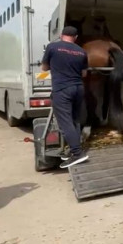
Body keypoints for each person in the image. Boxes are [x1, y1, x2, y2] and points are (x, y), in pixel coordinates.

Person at [41, 26, 89, 169]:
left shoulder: (52, 47)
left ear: (62, 35)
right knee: (75, 120)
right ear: (76, 37)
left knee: (65, 122)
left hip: (62, 89)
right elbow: (84, 74)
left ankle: (77, 153)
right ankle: (73, 148)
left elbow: (44, 68)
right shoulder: (81, 51)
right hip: (78, 88)